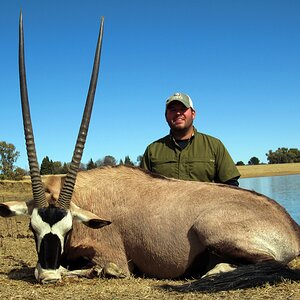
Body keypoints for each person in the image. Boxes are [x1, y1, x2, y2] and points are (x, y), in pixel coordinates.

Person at [140, 92, 240, 186]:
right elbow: (141, 188)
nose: (178, 113)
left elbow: (232, 186)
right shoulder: (152, 150)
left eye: (183, 108)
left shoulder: (215, 146)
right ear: (166, 116)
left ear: (193, 114)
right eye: (173, 109)